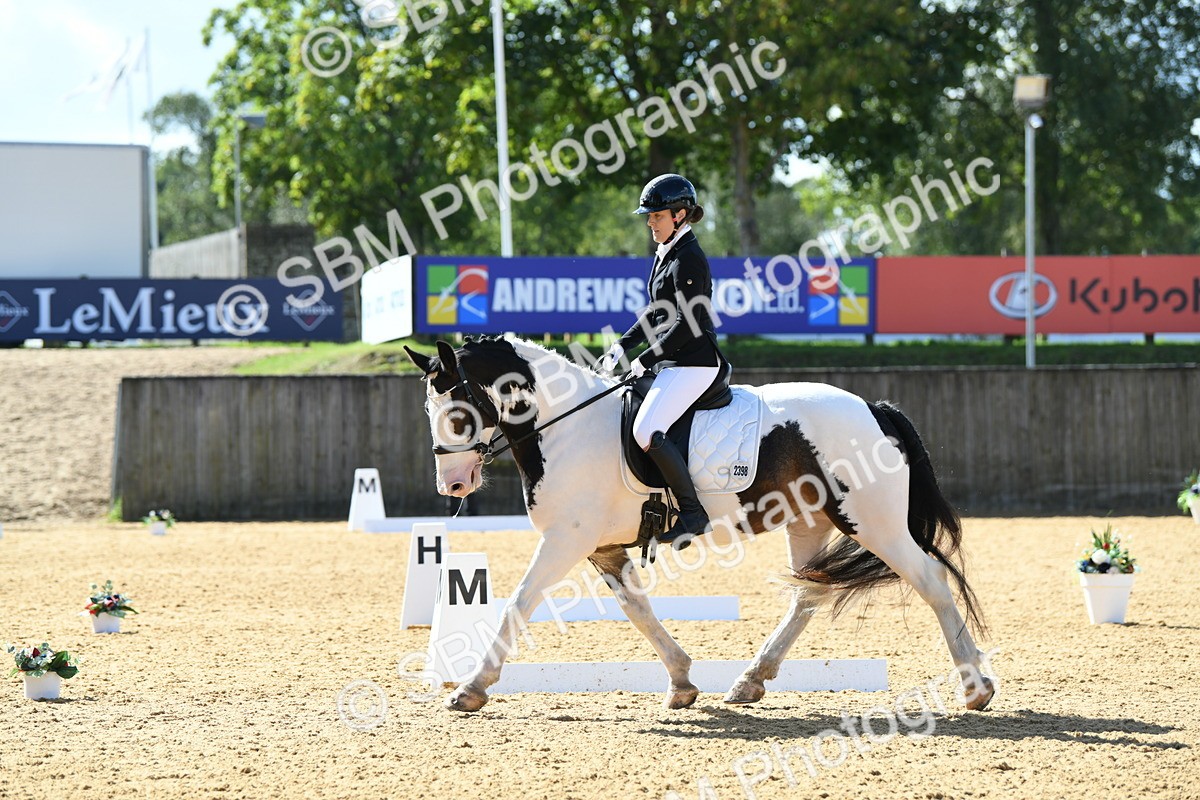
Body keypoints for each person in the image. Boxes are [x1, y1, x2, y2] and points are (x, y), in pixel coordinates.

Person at [598, 174, 728, 548]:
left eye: (656, 215)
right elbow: (657, 313)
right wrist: (621, 347)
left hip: (697, 363)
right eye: (649, 215)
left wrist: (645, 358)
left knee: (644, 431)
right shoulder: (666, 255)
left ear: (680, 214)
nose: (650, 222)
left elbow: (688, 326)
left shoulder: (689, 258)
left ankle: (692, 512)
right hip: (674, 364)